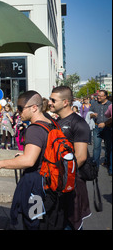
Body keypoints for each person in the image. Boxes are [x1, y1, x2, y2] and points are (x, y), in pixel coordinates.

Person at [0, 90, 69, 230]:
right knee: (43, 221)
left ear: (34, 107)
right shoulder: (51, 122)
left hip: (36, 184)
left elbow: (28, 161)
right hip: (51, 182)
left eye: (21, 108)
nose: (18, 111)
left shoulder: (34, 129)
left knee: (32, 222)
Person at [49, 86, 91, 230]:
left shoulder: (78, 123)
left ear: (65, 102)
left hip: (72, 185)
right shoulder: (56, 122)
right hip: (57, 185)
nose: (50, 103)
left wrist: (64, 179)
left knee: (70, 225)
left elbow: (81, 157)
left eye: (53, 100)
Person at [90, 90, 112, 167]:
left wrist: (106, 123)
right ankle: (95, 165)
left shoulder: (110, 104)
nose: (98, 97)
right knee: (96, 147)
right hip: (97, 127)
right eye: (98, 96)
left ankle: (107, 162)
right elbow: (89, 114)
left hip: (108, 128)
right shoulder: (94, 103)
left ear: (105, 96)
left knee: (108, 147)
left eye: (100, 96)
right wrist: (92, 115)